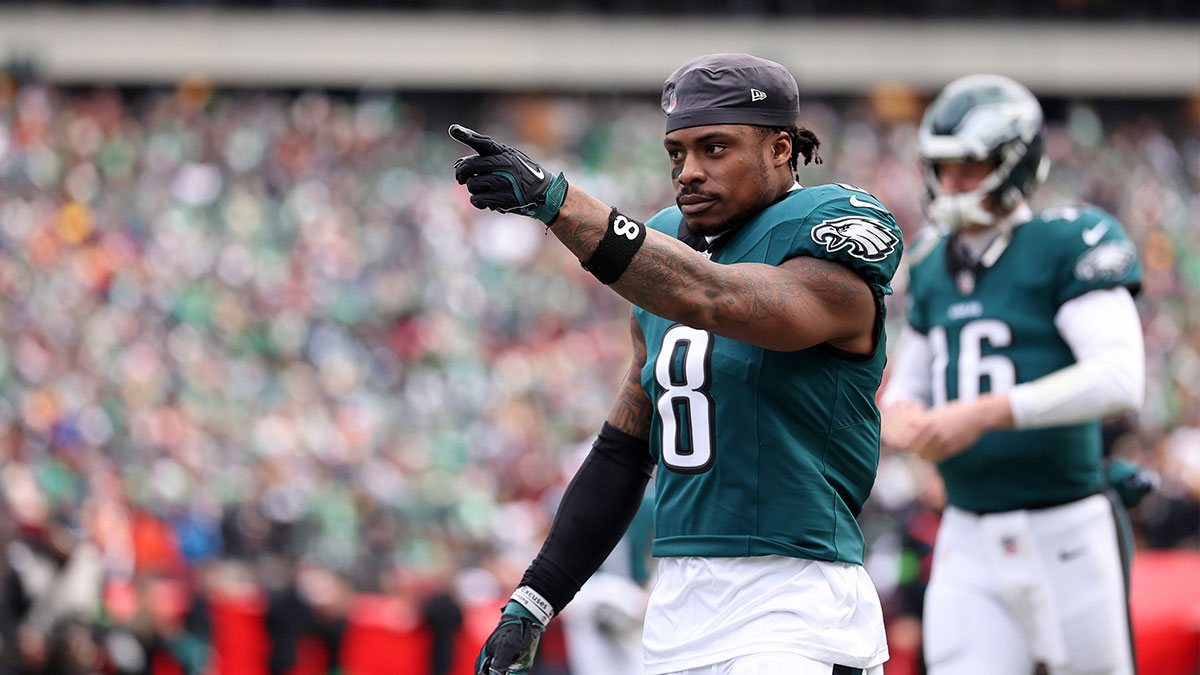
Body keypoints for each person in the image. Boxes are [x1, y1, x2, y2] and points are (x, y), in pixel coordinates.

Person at [451, 53, 902, 675]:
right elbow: (624, 450)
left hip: (796, 602)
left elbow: (716, 297)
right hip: (677, 611)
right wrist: (535, 599)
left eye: (715, 148)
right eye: (676, 152)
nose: (688, 172)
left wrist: (558, 202)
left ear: (780, 148)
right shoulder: (669, 245)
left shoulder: (824, 228)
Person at [878, 74, 1145, 675]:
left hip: (1067, 527)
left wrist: (985, 415)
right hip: (965, 531)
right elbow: (907, 387)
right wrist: (902, 419)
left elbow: (1120, 377)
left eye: (969, 166)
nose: (951, 183)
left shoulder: (1068, 240)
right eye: (942, 167)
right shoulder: (931, 261)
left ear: (1015, 163)